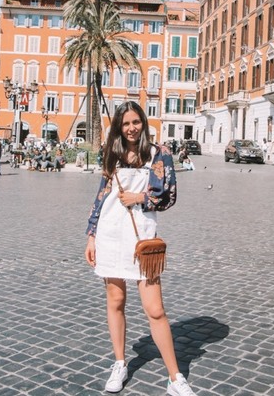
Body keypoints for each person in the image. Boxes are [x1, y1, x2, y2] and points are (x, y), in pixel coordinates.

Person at [85, 101, 197, 396]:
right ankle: (120, 363)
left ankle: (175, 377)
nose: (132, 128)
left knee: (155, 309)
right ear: (119, 127)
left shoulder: (159, 154)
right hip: (110, 234)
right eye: (126, 124)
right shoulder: (112, 153)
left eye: (136, 122)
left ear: (143, 123)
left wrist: (141, 198)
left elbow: (168, 196)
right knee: (115, 301)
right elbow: (102, 196)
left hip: (142, 240)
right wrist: (92, 235)